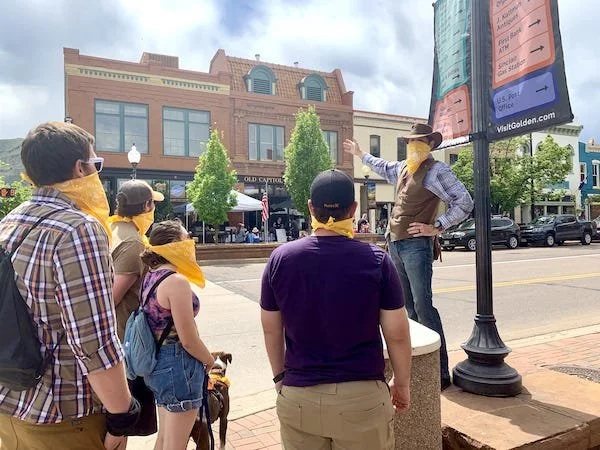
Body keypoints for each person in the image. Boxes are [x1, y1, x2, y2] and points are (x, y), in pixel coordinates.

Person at [0, 122, 139, 449]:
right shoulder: (78, 229)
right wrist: (122, 416)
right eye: (97, 166)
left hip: (10, 407)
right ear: (81, 169)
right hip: (62, 419)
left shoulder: (9, 222)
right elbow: (94, 343)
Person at [261, 169, 412, 449]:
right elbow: (397, 334)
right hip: (362, 397)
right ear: (354, 210)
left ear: (310, 207)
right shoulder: (377, 261)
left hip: (299, 396)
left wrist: (281, 378)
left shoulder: (280, 259)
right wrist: (401, 383)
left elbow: (271, 330)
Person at [344, 123, 474, 390]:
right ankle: (417, 368)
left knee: (424, 307)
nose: (413, 146)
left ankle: (439, 374)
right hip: (395, 244)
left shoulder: (437, 170)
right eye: (410, 142)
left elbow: (465, 201)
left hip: (417, 247)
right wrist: (360, 154)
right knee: (407, 309)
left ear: (430, 145)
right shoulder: (403, 168)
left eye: (419, 142)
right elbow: (381, 165)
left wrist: (437, 226)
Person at [139, 220, 215, 450]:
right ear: (172, 246)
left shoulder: (151, 276)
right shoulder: (176, 282)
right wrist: (210, 361)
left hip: (157, 364)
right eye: (185, 238)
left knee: (164, 439)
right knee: (176, 444)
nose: (190, 243)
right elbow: (189, 340)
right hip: (178, 366)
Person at [109, 179, 165, 441]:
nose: (154, 209)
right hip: (125, 343)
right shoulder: (133, 244)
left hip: (119, 341)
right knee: (122, 424)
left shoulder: (114, 229)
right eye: (153, 204)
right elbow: (111, 297)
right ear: (145, 205)